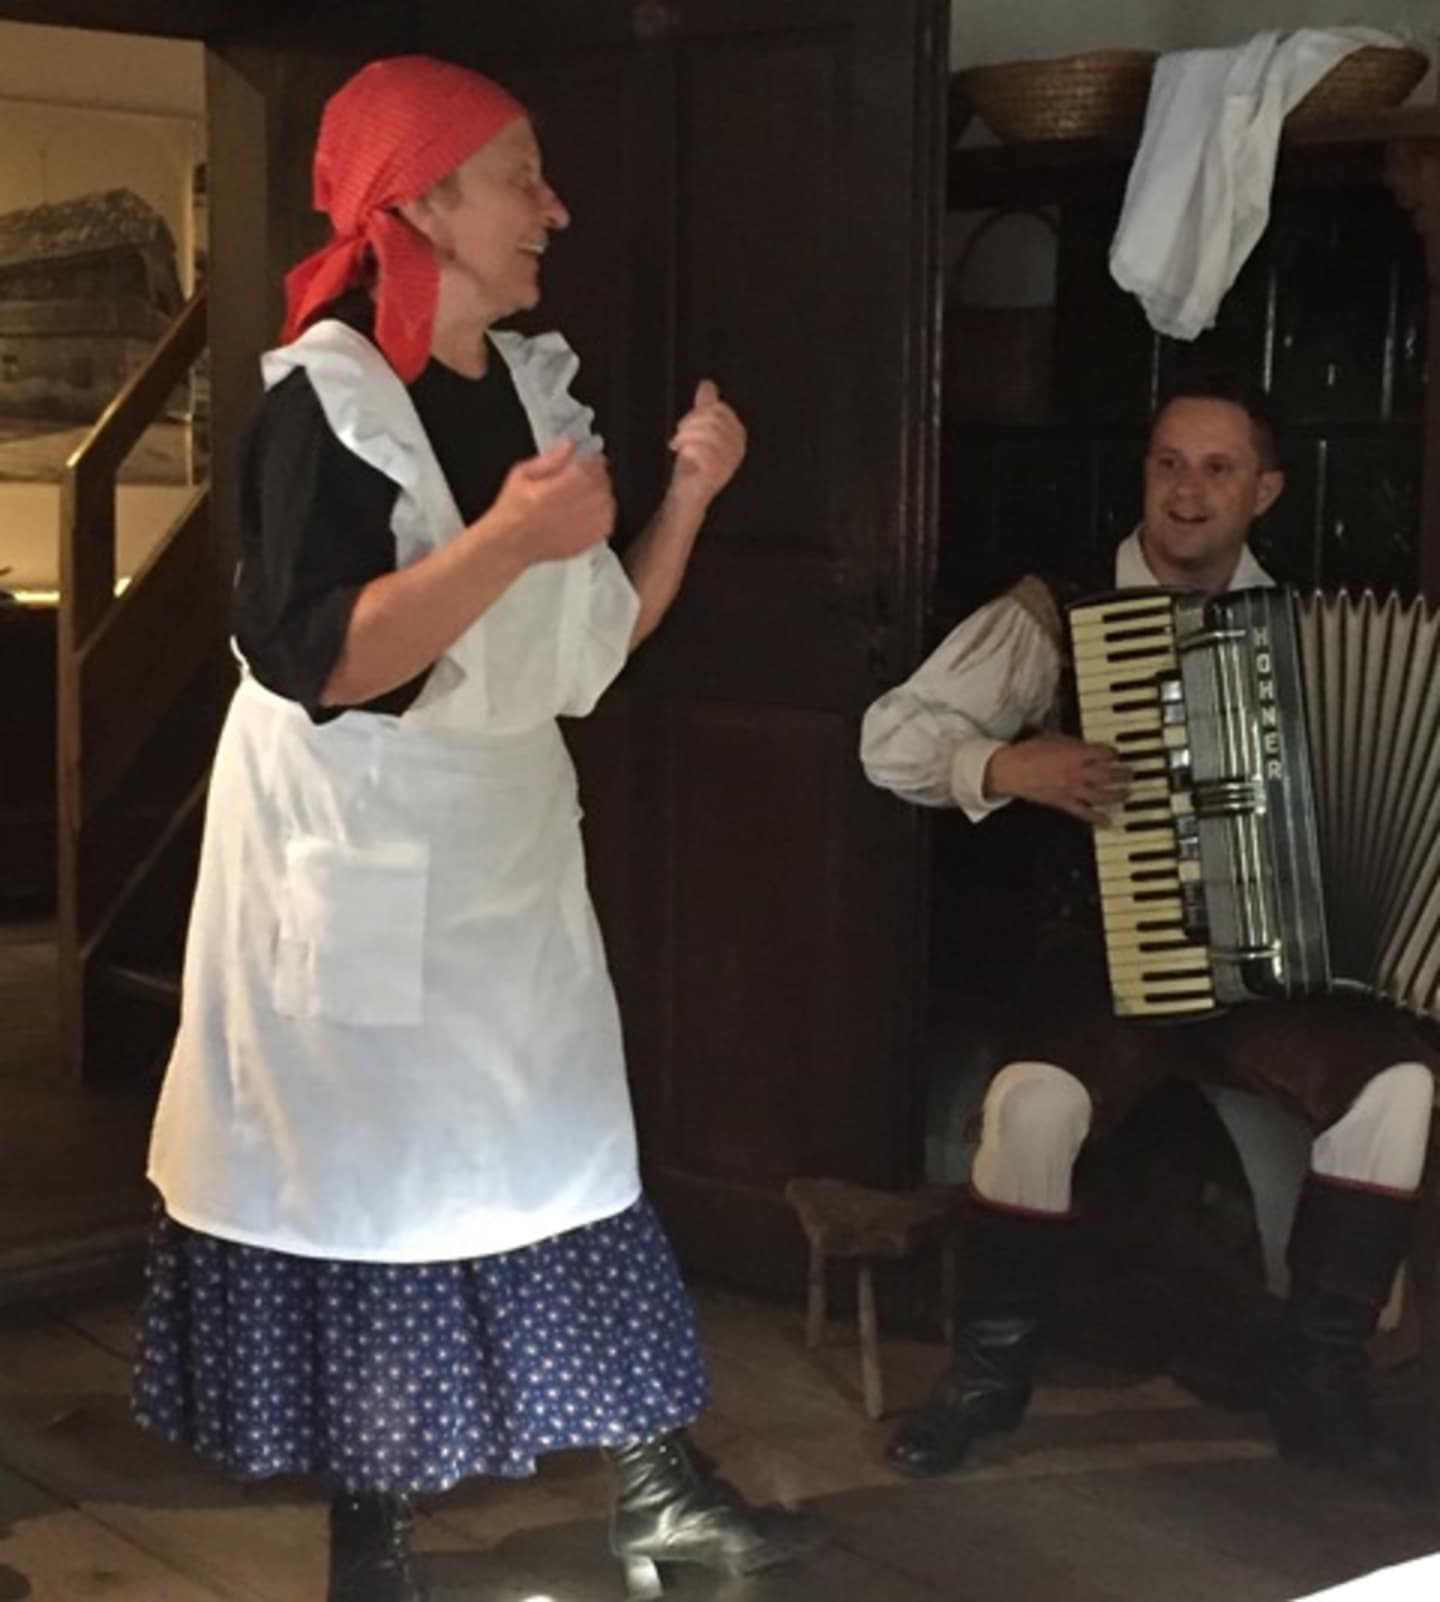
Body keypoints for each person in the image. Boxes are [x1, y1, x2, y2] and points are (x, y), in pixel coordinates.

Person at [130, 54, 814, 1602]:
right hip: (354, 838)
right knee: (374, 1174)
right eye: (521, 176)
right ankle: (373, 1538)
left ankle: (653, 1479)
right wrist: (506, 535)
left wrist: (690, 498)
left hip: (504, 840)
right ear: (420, 201)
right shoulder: (325, 401)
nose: (552, 207)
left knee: (564, 1140)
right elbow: (324, 658)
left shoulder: (523, 379)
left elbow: (591, 642)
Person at [860, 373, 1436, 1484]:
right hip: (1102, 956)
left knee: (1401, 1088)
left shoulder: (1311, 633)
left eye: (1218, 468)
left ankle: (1322, 1382)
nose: (1187, 490)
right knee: (1030, 1103)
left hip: (1278, 971)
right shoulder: (1057, 610)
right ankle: (987, 1381)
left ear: (1263, 489)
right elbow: (888, 740)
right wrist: (1008, 764)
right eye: (1168, 461)